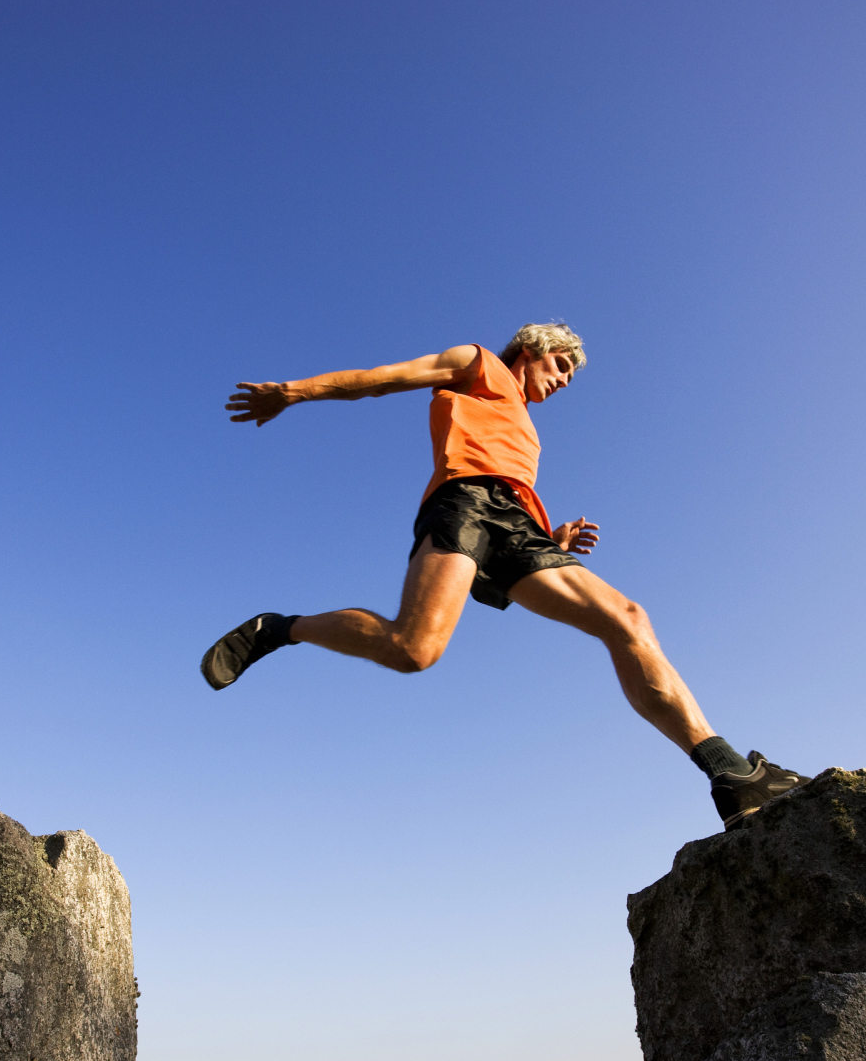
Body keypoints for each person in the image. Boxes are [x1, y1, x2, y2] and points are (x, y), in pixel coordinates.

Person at [202, 323, 809, 830]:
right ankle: (281, 628)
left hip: (520, 525)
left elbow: (510, 487)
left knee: (627, 618)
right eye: (562, 363)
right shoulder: (477, 363)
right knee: (413, 650)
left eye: (571, 374)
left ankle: (730, 773)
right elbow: (385, 379)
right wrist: (293, 392)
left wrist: (552, 542)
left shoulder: (527, 428)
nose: (565, 378)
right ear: (531, 346)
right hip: (463, 506)